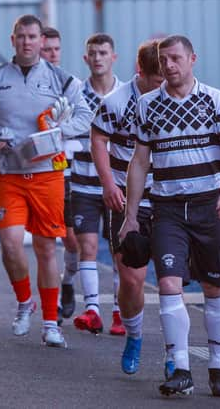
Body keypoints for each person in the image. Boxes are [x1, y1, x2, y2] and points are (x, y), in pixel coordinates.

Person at [120, 34, 220, 397]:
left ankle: (218, 367)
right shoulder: (146, 105)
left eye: (175, 58)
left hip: (209, 207)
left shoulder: (215, 100)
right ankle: (181, 368)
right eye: (163, 60)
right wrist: (131, 216)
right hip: (168, 209)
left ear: (193, 59)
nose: (168, 65)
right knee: (168, 285)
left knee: (214, 287)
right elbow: (139, 162)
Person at [0, 14, 94, 349]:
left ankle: (51, 323)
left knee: (45, 248)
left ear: (41, 40)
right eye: (21, 36)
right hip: (9, 175)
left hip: (48, 175)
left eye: (32, 36)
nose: (27, 42)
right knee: (10, 245)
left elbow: (85, 115)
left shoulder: (61, 79)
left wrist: (56, 132)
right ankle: (25, 303)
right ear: (13, 40)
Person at [90, 40, 165, 374]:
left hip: (167, 197)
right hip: (124, 196)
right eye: (157, 80)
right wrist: (108, 183)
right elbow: (98, 140)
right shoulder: (116, 102)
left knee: (169, 280)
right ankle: (134, 336)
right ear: (140, 73)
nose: (164, 86)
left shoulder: (176, 98)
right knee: (132, 279)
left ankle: (175, 354)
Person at [70, 33, 124, 335]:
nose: (98, 57)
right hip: (83, 184)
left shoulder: (126, 94)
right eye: (93, 53)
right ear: (85, 58)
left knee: (120, 252)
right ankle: (92, 310)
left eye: (104, 52)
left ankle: (119, 312)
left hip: (116, 186)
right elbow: (65, 133)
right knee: (86, 246)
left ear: (113, 57)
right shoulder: (75, 94)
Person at [39, 26, 79, 323]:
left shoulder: (71, 85)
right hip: (38, 171)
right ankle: (48, 311)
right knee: (46, 242)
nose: (52, 54)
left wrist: (62, 129)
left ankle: (68, 282)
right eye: (46, 49)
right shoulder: (27, 86)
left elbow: (86, 121)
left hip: (67, 169)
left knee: (73, 240)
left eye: (55, 49)